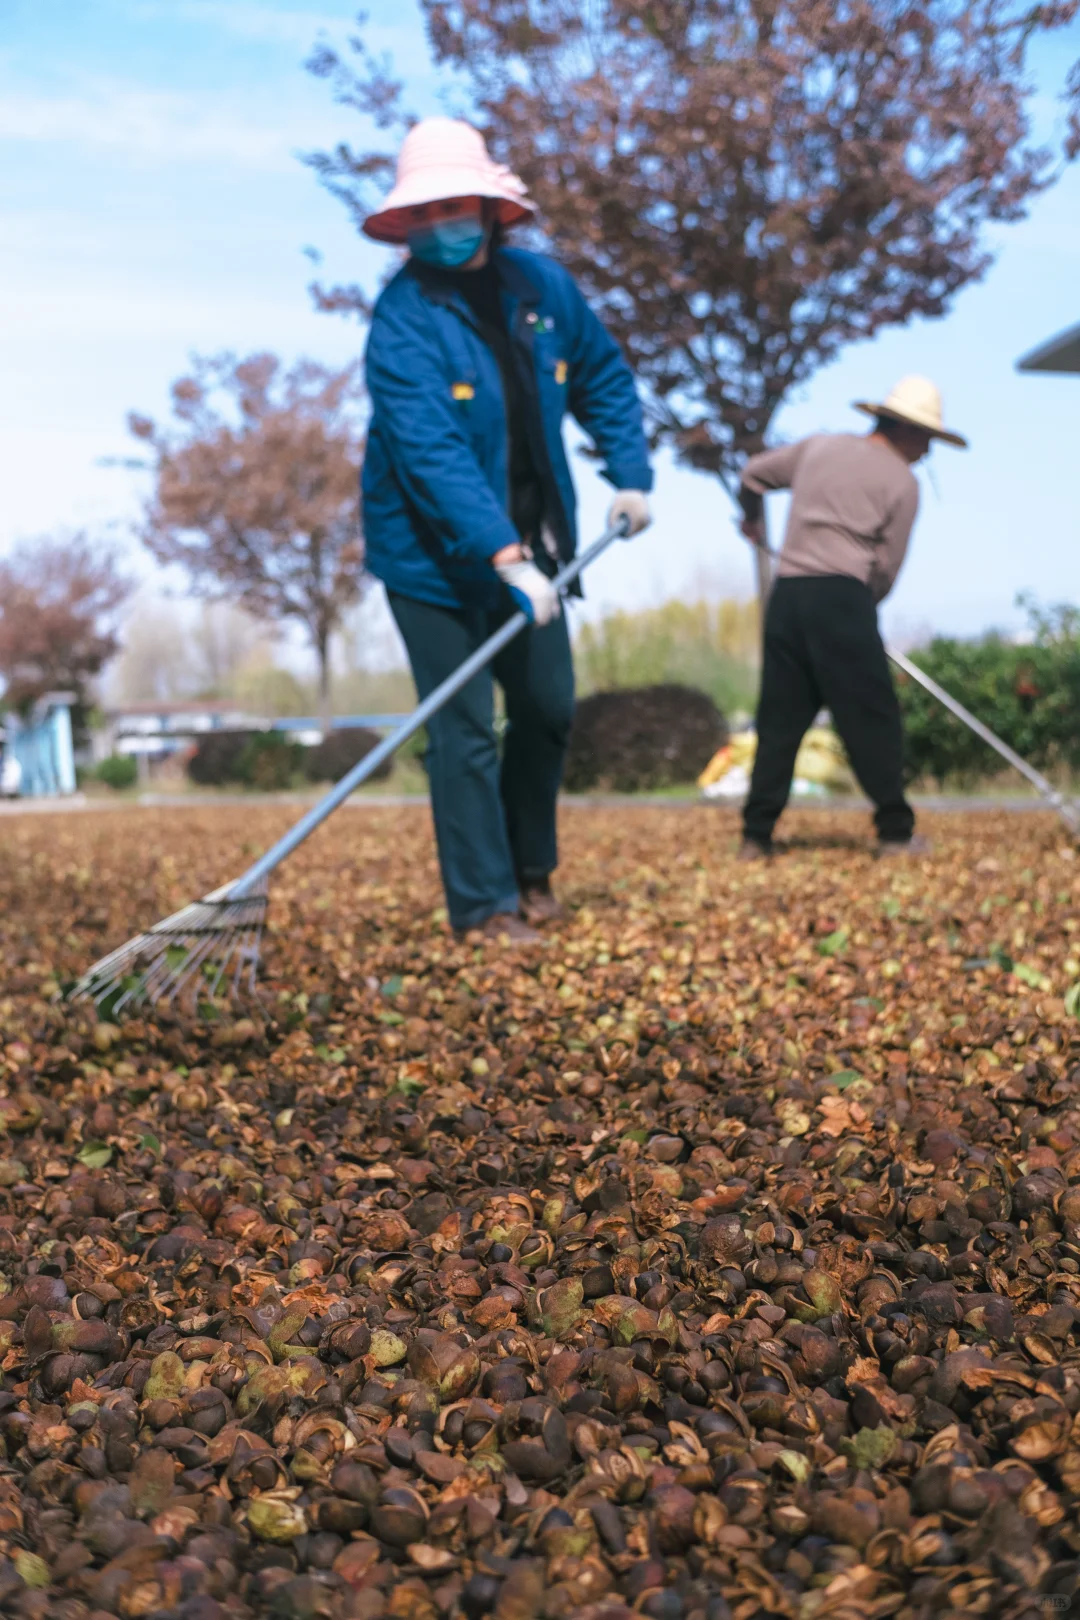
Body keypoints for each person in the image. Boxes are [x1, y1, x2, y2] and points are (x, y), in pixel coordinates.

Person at [361, 118, 653, 941]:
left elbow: (602, 374)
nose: (438, 226)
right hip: (432, 561)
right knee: (462, 732)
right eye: (423, 214)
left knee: (548, 707)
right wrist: (502, 557)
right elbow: (430, 452)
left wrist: (630, 473)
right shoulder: (403, 320)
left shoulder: (543, 291)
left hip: (536, 545)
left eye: (454, 206)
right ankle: (484, 906)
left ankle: (531, 872)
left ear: (490, 208)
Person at [736, 376, 968, 859]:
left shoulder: (818, 448)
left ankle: (756, 836)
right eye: (926, 438)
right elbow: (886, 567)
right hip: (843, 596)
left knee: (780, 719)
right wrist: (857, 614)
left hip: (788, 597)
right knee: (871, 716)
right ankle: (895, 832)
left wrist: (753, 520)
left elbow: (752, 475)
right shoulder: (903, 483)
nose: (926, 450)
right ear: (904, 428)